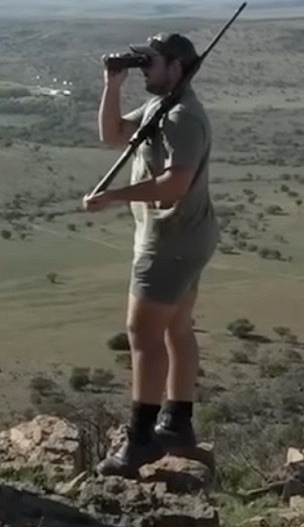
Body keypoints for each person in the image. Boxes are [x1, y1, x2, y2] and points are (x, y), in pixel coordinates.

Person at [81, 32, 219, 477]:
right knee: (177, 328)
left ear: (176, 66)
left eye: (151, 62)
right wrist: (112, 84)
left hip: (171, 241)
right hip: (187, 236)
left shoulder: (181, 117)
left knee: (142, 336)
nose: (143, 69)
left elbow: (175, 184)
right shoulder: (162, 106)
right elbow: (113, 134)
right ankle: (177, 423)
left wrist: (113, 196)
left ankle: (141, 440)